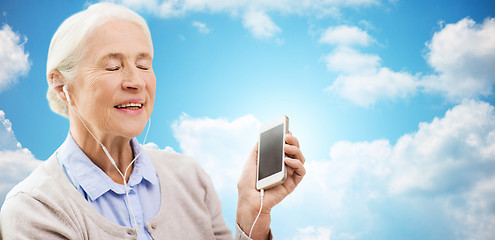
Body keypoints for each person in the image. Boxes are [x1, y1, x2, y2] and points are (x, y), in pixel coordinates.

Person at [0, 3, 306, 240]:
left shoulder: (191, 178)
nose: (135, 81)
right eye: (112, 66)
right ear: (61, 87)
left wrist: (252, 216)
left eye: (144, 64)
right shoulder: (34, 209)